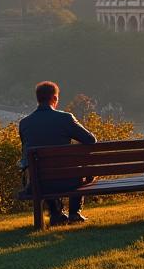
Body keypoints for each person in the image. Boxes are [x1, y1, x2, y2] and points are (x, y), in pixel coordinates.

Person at [19, 81, 97, 226]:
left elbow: (25, 151)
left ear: (38, 99)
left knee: (42, 172)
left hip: (39, 183)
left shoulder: (25, 123)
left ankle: (56, 213)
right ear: (54, 98)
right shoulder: (66, 118)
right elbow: (91, 140)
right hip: (69, 181)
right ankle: (74, 213)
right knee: (81, 169)